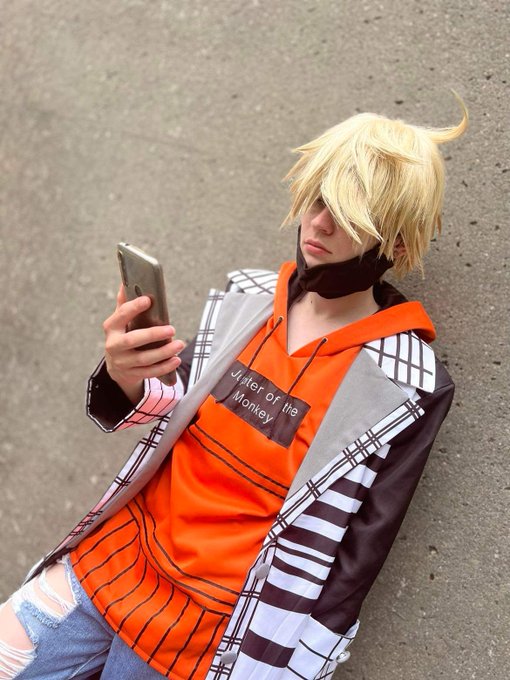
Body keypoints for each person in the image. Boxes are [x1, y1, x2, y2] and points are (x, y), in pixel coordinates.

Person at [0, 96, 468, 680]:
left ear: (395, 243)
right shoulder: (245, 298)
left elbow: (357, 558)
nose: (319, 223)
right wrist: (125, 374)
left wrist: (299, 665)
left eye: (350, 215)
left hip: (207, 634)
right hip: (110, 561)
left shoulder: (407, 382)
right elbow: (169, 408)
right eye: (319, 199)